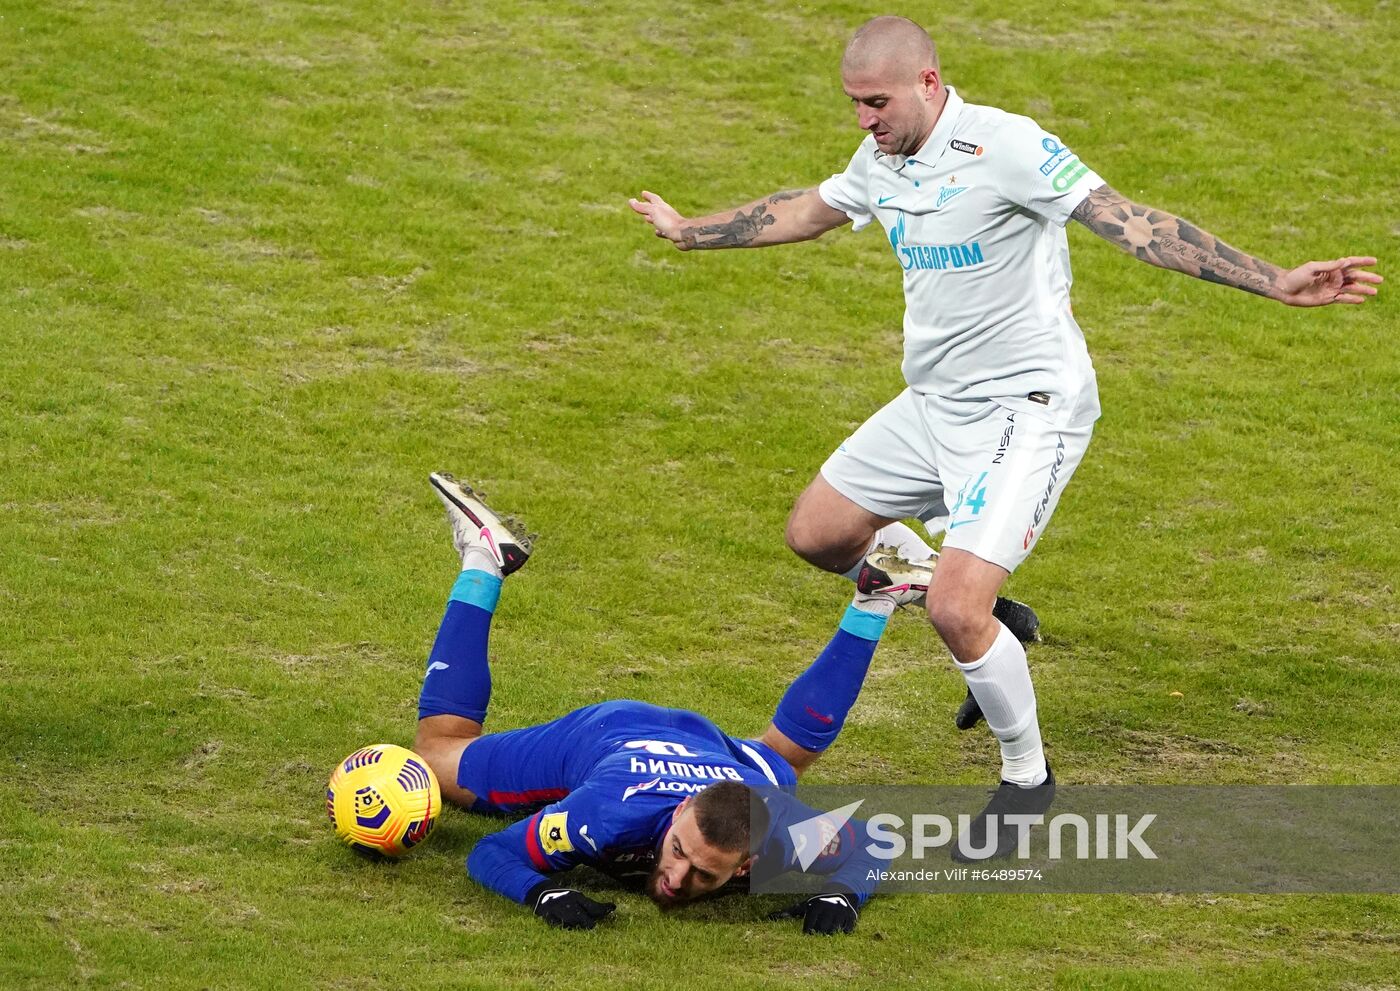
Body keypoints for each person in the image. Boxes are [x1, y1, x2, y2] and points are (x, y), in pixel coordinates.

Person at [629, 15, 1381, 859]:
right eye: (852, 105)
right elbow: (808, 211)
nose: (864, 120)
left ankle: (1027, 777)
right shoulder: (882, 159)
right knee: (819, 533)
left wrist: (1272, 280)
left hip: (1028, 405)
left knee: (954, 607)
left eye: (875, 102)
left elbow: (1127, 221)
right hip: (934, 402)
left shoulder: (1009, 147)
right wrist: (691, 229)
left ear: (928, 81)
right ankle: (995, 618)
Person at [411, 472, 909, 933]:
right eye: (679, 851)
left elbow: (876, 844)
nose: (676, 875)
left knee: (784, 769)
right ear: (681, 814)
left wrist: (842, 895)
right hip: (605, 734)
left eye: (704, 874)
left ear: (748, 865)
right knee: (436, 754)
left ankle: (875, 599)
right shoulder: (601, 815)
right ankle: (485, 560)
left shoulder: (780, 828)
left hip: (718, 751)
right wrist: (540, 891)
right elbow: (492, 852)